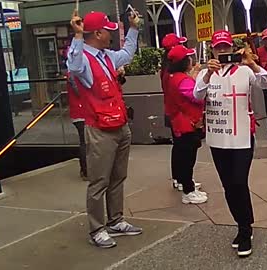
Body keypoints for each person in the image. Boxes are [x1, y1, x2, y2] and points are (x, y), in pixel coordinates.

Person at [67, 9, 142, 248]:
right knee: (99, 181)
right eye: (108, 30)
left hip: (119, 125)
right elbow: (75, 65)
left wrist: (134, 28)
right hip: (100, 129)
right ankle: (97, 228)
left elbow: (127, 53)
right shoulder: (85, 60)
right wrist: (77, 36)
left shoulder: (106, 55)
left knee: (118, 176)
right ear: (97, 33)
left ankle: (116, 220)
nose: (111, 33)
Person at [194, 30, 267, 257]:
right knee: (228, 185)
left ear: (231, 47)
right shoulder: (207, 73)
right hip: (218, 137)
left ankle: (246, 228)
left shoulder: (245, 70)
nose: (222, 51)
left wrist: (253, 64)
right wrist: (208, 75)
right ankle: (240, 224)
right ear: (213, 50)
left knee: (239, 182)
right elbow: (197, 95)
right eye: (218, 48)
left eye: (226, 47)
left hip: (242, 137)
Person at [160, 33, 203, 192]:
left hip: (176, 115)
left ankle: (181, 179)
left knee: (180, 150)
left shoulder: (168, 72)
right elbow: (196, 95)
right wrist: (196, 77)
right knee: (185, 152)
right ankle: (186, 184)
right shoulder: (178, 78)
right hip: (183, 118)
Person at [165, 45, 207, 204]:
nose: (191, 60)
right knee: (188, 158)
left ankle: (186, 184)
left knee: (184, 157)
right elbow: (197, 96)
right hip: (187, 124)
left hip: (182, 123)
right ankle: (188, 191)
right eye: (188, 57)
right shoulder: (181, 80)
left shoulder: (173, 76)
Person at [67, 73, 87, 181]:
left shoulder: (72, 74)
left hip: (79, 113)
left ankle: (85, 170)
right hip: (82, 113)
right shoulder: (75, 74)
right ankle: (86, 170)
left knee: (85, 142)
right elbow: (80, 92)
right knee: (86, 142)